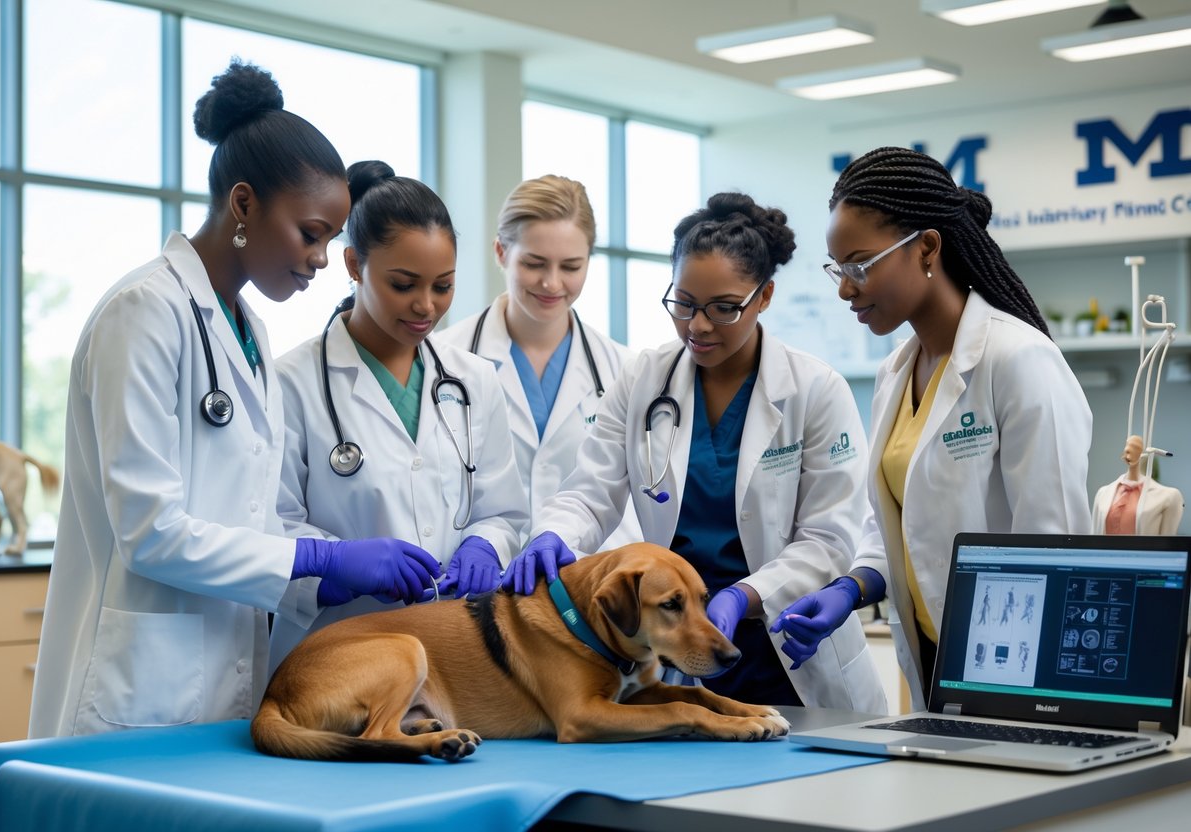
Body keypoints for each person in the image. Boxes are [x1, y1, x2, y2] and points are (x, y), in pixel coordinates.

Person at [29, 61, 442, 738]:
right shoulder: (144, 313)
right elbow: (149, 530)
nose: (318, 260)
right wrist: (316, 559)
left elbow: (244, 517)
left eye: (330, 241)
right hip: (135, 686)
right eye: (309, 234)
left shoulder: (247, 329)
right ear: (244, 204)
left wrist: (323, 572)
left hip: (226, 674)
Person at [503, 192, 886, 712]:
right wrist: (551, 535)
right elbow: (590, 493)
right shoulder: (643, 379)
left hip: (786, 647)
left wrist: (739, 596)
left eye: (724, 308)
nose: (698, 326)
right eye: (683, 303)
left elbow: (828, 539)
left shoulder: (815, 390)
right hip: (676, 644)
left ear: (765, 296)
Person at [773, 146, 1092, 709]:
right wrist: (852, 587)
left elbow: (1056, 542)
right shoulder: (896, 371)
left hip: (1016, 669)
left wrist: (1031, 692)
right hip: (934, 663)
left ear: (926, 247)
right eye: (838, 268)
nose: (845, 288)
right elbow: (898, 523)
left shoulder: (1017, 360)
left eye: (860, 264)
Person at [269, 161, 528, 670]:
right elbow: (268, 527)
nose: (426, 307)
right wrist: (335, 569)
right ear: (353, 265)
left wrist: (484, 546)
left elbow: (504, 512)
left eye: (443, 286)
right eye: (404, 284)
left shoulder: (474, 381)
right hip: (334, 654)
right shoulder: (290, 383)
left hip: (456, 654)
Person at [441, 175, 639, 549]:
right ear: (501, 252)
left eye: (570, 266)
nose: (552, 283)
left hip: (587, 586)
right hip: (473, 587)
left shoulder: (623, 369)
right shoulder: (445, 360)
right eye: (535, 263)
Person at [1093, 434, 1184, 535]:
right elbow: (1094, 537)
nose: (1129, 451)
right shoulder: (1103, 493)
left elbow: (1168, 544)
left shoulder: (1169, 497)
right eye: (1128, 448)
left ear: (1142, 452)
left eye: (1135, 447)